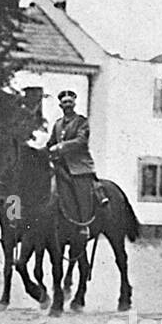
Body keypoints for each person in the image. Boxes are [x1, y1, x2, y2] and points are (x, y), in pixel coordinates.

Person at [46, 88, 107, 224]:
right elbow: (51, 143)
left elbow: (81, 141)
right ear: (60, 106)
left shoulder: (81, 122)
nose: (67, 105)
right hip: (59, 165)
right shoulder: (57, 124)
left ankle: (83, 225)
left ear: (74, 104)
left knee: (81, 193)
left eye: (70, 102)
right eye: (64, 103)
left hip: (78, 166)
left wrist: (60, 147)